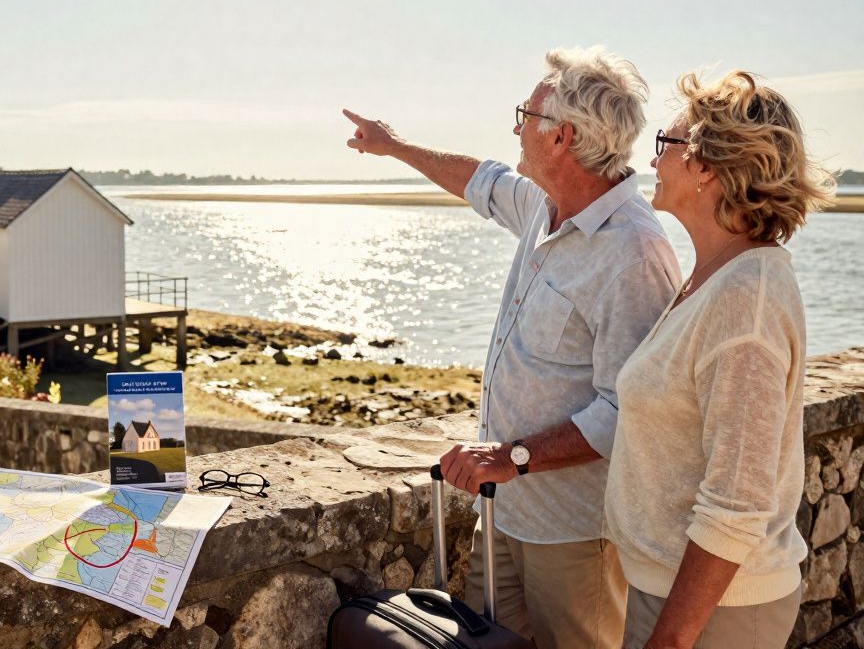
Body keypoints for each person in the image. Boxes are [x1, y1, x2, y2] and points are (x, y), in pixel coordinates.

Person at [344, 46, 680, 648]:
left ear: (562, 137)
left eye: (526, 114)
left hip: (577, 533)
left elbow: (628, 409)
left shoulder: (634, 254)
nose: (518, 127)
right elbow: (480, 179)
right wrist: (393, 146)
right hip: (504, 515)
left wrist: (515, 456)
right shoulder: (543, 206)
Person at [606, 71, 834, 649]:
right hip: (679, 595)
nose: (652, 162)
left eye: (667, 144)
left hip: (715, 614)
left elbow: (736, 501)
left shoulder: (743, 303)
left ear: (707, 165)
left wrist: (670, 638)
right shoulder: (716, 276)